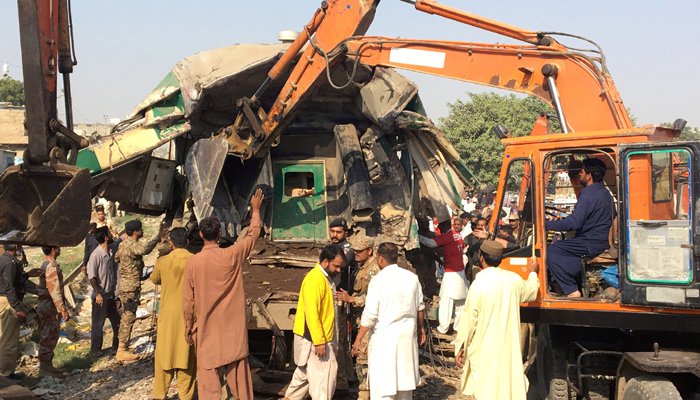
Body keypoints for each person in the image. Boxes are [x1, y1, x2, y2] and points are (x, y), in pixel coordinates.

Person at [183, 188, 263, 400]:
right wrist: (255, 210)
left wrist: (188, 327)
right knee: (241, 384)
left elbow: (188, 302)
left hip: (207, 332)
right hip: (233, 331)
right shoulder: (233, 255)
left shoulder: (193, 263)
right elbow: (254, 234)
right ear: (219, 234)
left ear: (201, 235)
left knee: (209, 386)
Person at [454, 240, 540, 400]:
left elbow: (469, 320)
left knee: (487, 388)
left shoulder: (479, 283)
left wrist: (461, 345)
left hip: (485, 346)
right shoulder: (513, 280)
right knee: (506, 387)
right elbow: (532, 291)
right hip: (508, 346)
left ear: (481, 257)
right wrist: (533, 272)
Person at [351, 242, 426, 400]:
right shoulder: (412, 278)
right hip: (407, 338)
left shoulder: (378, 281)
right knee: (404, 389)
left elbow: (370, 315)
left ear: (379, 259)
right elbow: (420, 308)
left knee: (383, 388)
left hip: (384, 341)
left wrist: (358, 339)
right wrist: (420, 330)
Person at [283, 244, 345, 400]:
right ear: (325, 262)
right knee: (323, 385)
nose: (338, 270)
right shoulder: (315, 279)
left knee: (301, 381)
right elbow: (312, 313)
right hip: (316, 341)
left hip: (317, 339)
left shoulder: (323, 278)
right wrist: (319, 341)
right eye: (336, 266)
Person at [545, 158, 613, 297]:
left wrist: (546, 224)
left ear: (589, 176)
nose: (579, 174)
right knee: (565, 251)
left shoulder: (588, 193)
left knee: (552, 250)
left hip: (589, 242)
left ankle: (571, 291)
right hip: (600, 241)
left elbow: (574, 223)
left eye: (581, 171)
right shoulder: (605, 193)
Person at [151, 228, 195, 400]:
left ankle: (160, 394)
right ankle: (186, 395)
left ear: (171, 243)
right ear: (188, 242)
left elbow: (154, 279)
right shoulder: (194, 260)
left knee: (164, 356)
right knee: (187, 359)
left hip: (167, 316)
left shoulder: (163, 261)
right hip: (188, 315)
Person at [336, 235, 380, 400]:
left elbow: (375, 298)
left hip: (368, 320)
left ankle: (364, 393)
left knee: (363, 358)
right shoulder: (362, 267)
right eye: (354, 250)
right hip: (360, 318)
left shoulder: (374, 269)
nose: (355, 253)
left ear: (369, 251)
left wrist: (352, 299)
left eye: (359, 251)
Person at [114, 219, 162, 362]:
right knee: (128, 317)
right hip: (130, 286)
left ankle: (124, 346)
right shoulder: (132, 245)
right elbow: (144, 249)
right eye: (140, 229)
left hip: (125, 285)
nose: (142, 231)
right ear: (136, 232)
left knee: (127, 316)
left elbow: (117, 258)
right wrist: (158, 237)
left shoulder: (122, 245)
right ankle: (121, 349)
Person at [419, 217, 469, 334]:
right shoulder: (459, 236)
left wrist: (417, 236)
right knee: (460, 302)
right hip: (460, 272)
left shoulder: (449, 236)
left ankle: (443, 328)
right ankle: (458, 328)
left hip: (452, 273)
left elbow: (431, 243)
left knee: (446, 301)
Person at [328, 217, 355, 390]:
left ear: (345, 233)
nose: (335, 235)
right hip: (331, 296)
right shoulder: (331, 248)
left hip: (341, 298)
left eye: (339, 232)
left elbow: (341, 263)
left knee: (341, 338)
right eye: (333, 231)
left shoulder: (348, 249)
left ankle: (344, 378)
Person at [36, 246, 70, 377]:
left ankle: (47, 366)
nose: (60, 249)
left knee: (51, 334)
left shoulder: (47, 264)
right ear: (53, 249)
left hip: (47, 305)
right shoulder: (50, 266)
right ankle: (45, 368)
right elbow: (54, 290)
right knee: (48, 335)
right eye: (58, 247)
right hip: (49, 306)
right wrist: (62, 309)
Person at [87, 227, 121, 355]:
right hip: (101, 296)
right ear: (106, 237)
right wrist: (98, 293)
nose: (112, 235)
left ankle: (116, 346)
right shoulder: (96, 255)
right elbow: (92, 277)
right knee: (98, 324)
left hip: (110, 295)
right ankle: (95, 350)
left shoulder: (111, 251)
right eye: (109, 234)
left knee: (117, 321)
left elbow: (119, 241)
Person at [0, 244, 30, 380]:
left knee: (3, 337)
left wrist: (27, 275)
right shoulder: (10, 263)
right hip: (8, 302)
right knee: (9, 340)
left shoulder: (3, 259)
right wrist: (18, 309)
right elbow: (9, 287)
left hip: (3, 300)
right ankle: (6, 373)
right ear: (16, 247)